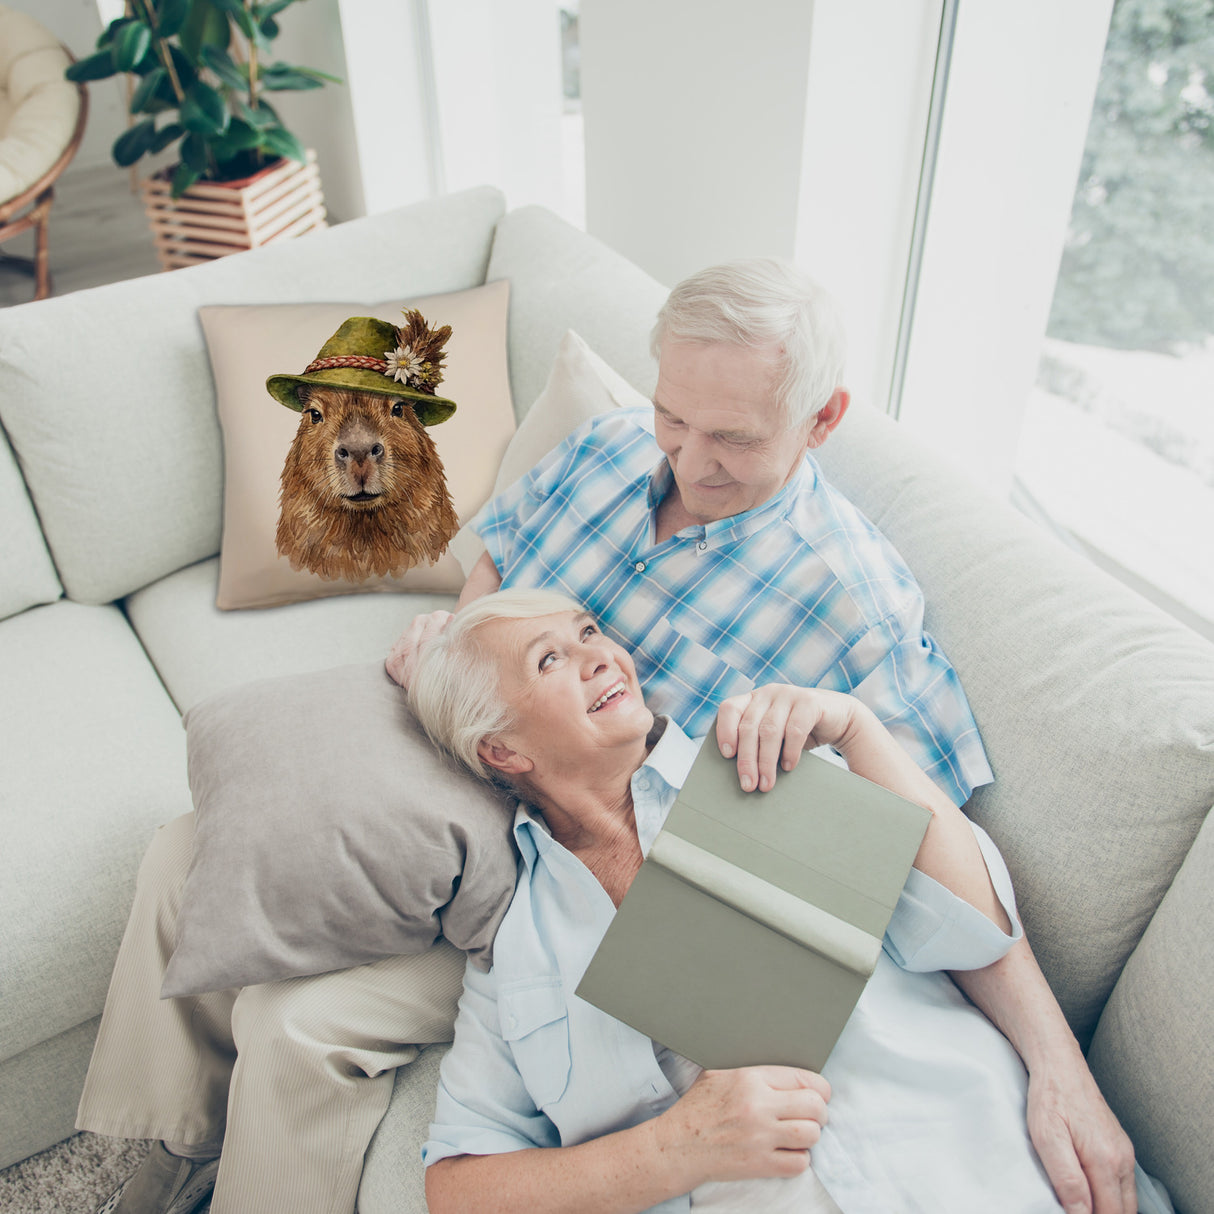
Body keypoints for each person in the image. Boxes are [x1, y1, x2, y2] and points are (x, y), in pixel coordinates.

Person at [79, 260, 1131, 1214]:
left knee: (298, 1024)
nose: (689, 459)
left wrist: (1059, 1066)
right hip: (483, 749)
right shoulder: (608, 448)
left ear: (822, 420)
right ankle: (170, 1146)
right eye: (674, 416)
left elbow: (932, 863)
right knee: (188, 851)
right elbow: (498, 566)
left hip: (574, 856)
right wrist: (455, 645)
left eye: (733, 438)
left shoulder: (855, 609)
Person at [407, 588, 1157, 1214]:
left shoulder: (762, 764)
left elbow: (974, 930)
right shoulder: (516, 950)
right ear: (501, 750)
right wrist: (674, 1149)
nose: (600, 655)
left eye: (589, 632)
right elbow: (457, 1188)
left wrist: (857, 729)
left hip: (983, 1166)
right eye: (549, 660)